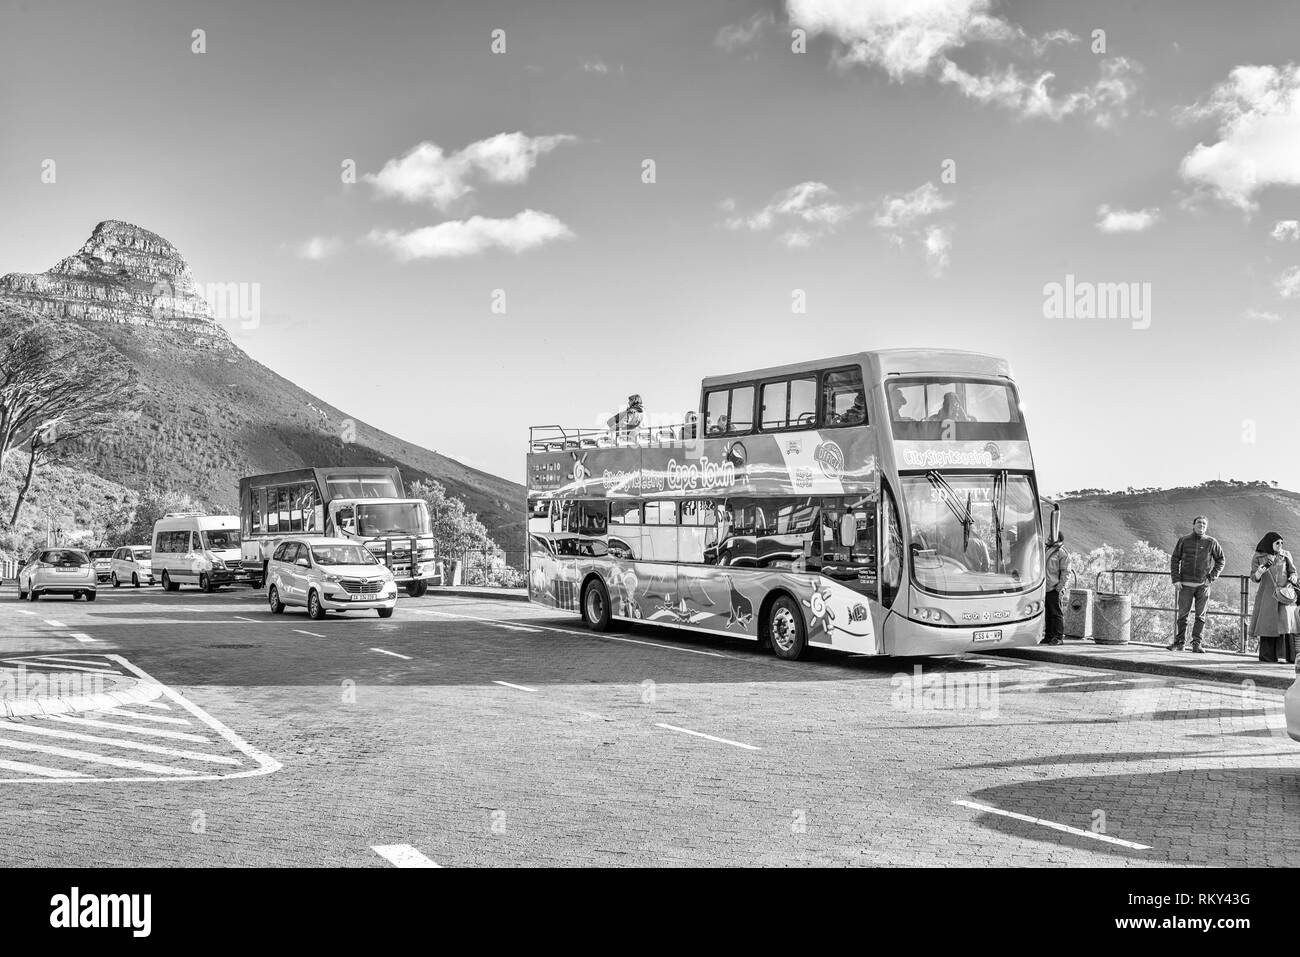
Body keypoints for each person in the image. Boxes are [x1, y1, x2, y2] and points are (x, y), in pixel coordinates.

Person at [1166, 515, 1226, 653]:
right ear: (1193, 525)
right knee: (1182, 615)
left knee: (1200, 616)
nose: (1202, 525)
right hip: (1185, 585)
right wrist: (1175, 579)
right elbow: (1175, 559)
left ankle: (1196, 644)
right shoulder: (1184, 540)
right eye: (1199, 523)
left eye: (1204, 523)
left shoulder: (1211, 542)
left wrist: (1211, 577)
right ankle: (1179, 643)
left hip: (1202, 586)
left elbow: (1221, 560)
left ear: (1207, 526)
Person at [1249, 531, 1299, 663]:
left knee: (1287, 625)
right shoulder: (1259, 556)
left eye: (1282, 543)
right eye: (1277, 543)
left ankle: (1291, 657)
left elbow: (1292, 571)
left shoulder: (1286, 555)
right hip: (1267, 595)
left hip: (1284, 594)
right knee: (1268, 625)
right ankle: (1267, 657)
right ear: (1269, 543)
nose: (1280, 545)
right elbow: (1254, 578)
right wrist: (1260, 572)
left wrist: (1293, 577)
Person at [1041, 532, 1071, 645]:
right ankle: (1048, 636)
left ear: (1057, 538)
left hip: (1055, 587)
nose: (1048, 538)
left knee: (1056, 613)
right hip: (1046, 587)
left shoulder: (1061, 552)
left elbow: (1066, 571)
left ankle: (1058, 637)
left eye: (1051, 536)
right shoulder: (1047, 549)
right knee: (1048, 613)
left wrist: (1060, 588)